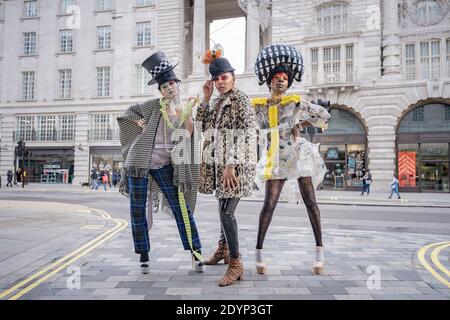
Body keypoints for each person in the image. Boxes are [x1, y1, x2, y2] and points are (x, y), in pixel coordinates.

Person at [117, 51, 204, 274]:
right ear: (160, 90)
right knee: (137, 209)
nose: (169, 89)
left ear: (178, 85)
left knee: (180, 206)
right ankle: (144, 254)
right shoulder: (151, 106)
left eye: (172, 85)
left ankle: (196, 252)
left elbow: (189, 135)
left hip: (165, 165)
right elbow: (126, 115)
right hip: (140, 163)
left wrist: (189, 113)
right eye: (164, 87)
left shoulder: (183, 109)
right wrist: (138, 124)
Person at [251, 44, 330, 275]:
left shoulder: (294, 102)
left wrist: (300, 124)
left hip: (298, 155)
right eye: (277, 77)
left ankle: (319, 253)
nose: (281, 81)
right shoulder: (258, 107)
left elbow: (323, 115)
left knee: (311, 202)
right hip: (275, 159)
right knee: (269, 205)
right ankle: (259, 254)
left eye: (285, 78)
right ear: (269, 82)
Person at [196, 46, 257, 286]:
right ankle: (223, 249)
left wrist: (231, 163)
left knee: (226, 211)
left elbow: (247, 132)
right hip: (221, 166)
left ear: (233, 78)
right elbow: (203, 125)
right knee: (222, 207)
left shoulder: (241, 99)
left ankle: (236, 263)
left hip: (237, 167)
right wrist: (206, 98)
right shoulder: (219, 101)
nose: (220, 82)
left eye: (224, 78)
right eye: (216, 79)